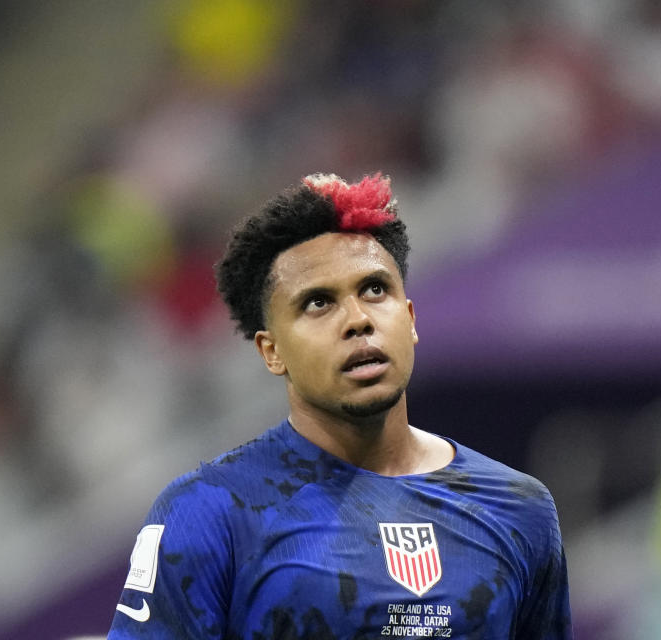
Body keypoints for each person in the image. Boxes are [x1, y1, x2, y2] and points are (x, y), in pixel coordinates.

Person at [107, 173, 573, 639]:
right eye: (317, 303)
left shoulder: (518, 509)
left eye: (374, 290)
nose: (357, 320)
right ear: (272, 351)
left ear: (409, 319)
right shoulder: (208, 513)